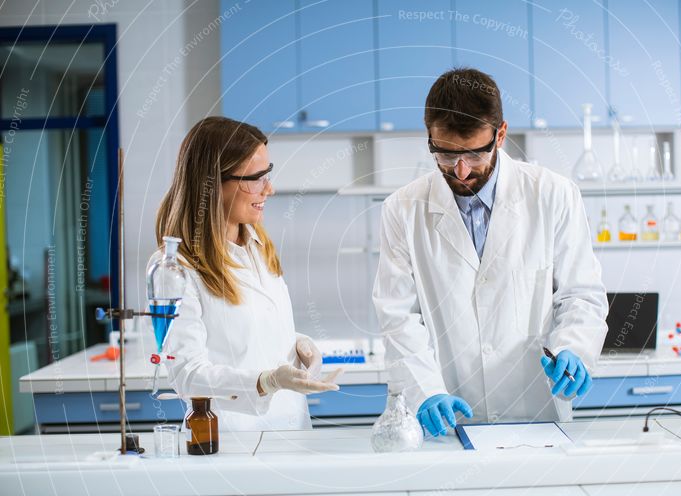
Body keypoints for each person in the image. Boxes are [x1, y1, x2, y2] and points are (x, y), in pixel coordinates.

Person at [373, 68, 609, 437]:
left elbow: (580, 293)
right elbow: (398, 316)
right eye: (446, 155)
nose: (462, 170)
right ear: (430, 138)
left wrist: (575, 347)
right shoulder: (403, 209)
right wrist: (426, 391)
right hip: (448, 413)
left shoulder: (553, 194)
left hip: (535, 412)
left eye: (474, 154)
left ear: (500, 134)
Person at [153, 116, 339, 431]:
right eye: (255, 178)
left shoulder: (257, 246)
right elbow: (187, 375)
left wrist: (298, 345)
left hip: (292, 431)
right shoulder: (175, 268)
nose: (270, 189)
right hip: (229, 439)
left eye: (268, 174)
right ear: (212, 184)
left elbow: (248, 335)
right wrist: (266, 381)